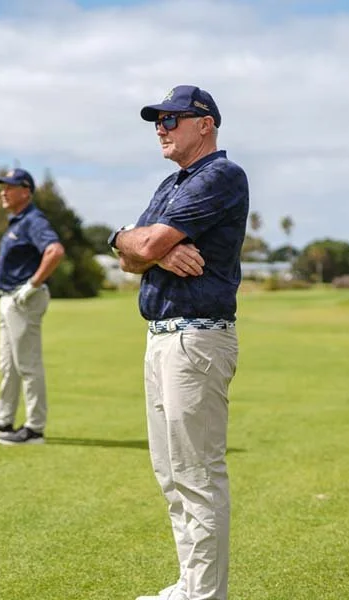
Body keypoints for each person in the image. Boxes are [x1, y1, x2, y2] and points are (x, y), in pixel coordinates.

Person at [109, 85, 248, 600]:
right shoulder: (172, 183)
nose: (161, 128)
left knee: (198, 476)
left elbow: (141, 245)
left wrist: (145, 245)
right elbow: (131, 254)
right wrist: (143, 246)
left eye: (172, 119)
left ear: (205, 123)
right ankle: (190, 586)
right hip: (162, 337)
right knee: (171, 476)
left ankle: (206, 596)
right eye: (157, 121)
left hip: (197, 339)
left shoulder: (222, 176)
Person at [0, 168, 65, 446]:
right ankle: (4, 420)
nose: (3, 191)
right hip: (9, 299)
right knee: (8, 365)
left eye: (10, 187)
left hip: (24, 299)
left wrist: (32, 285)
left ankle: (34, 428)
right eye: (3, 186)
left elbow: (55, 251)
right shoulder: (17, 222)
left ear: (26, 191)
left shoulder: (33, 220)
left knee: (27, 365)